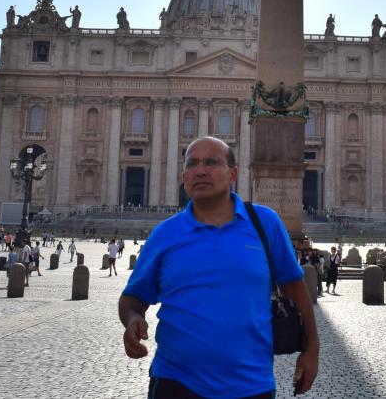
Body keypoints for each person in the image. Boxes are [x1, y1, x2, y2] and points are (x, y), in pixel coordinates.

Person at [119, 136, 319, 398]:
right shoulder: (164, 235)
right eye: (192, 164)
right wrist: (133, 319)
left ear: (233, 174)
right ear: (184, 176)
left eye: (211, 162)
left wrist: (312, 348)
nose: (200, 171)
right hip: (175, 382)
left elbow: (295, 287)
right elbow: (132, 298)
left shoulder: (265, 224)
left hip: (252, 385)